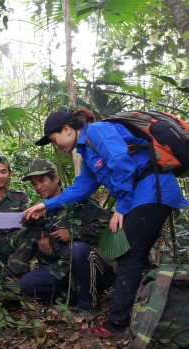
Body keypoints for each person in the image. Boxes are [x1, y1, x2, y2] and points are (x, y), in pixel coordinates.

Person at [24, 108, 188, 337]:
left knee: (128, 253)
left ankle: (116, 325)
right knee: (135, 255)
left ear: (67, 129)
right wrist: (46, 205)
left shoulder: (97, 132)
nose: (56, 145)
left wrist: (121, 206)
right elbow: (81, 188)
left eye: (54, 140)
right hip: (145, 195)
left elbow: (121, 162)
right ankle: (146, 315)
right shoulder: (88, 151)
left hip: (153, 191)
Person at [7, 158, 114, 319]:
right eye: (34, 184)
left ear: (55, 178)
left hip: (96, 269)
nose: (38, 187)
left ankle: (89, 306)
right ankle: (73, 297)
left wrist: (74, 233)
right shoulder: (44, 213)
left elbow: (108, 225)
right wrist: (46, 252)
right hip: (64, 271)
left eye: (42, 181)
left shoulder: (78, 201)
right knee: (27, 283)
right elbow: (52, 257)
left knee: (77, 249)